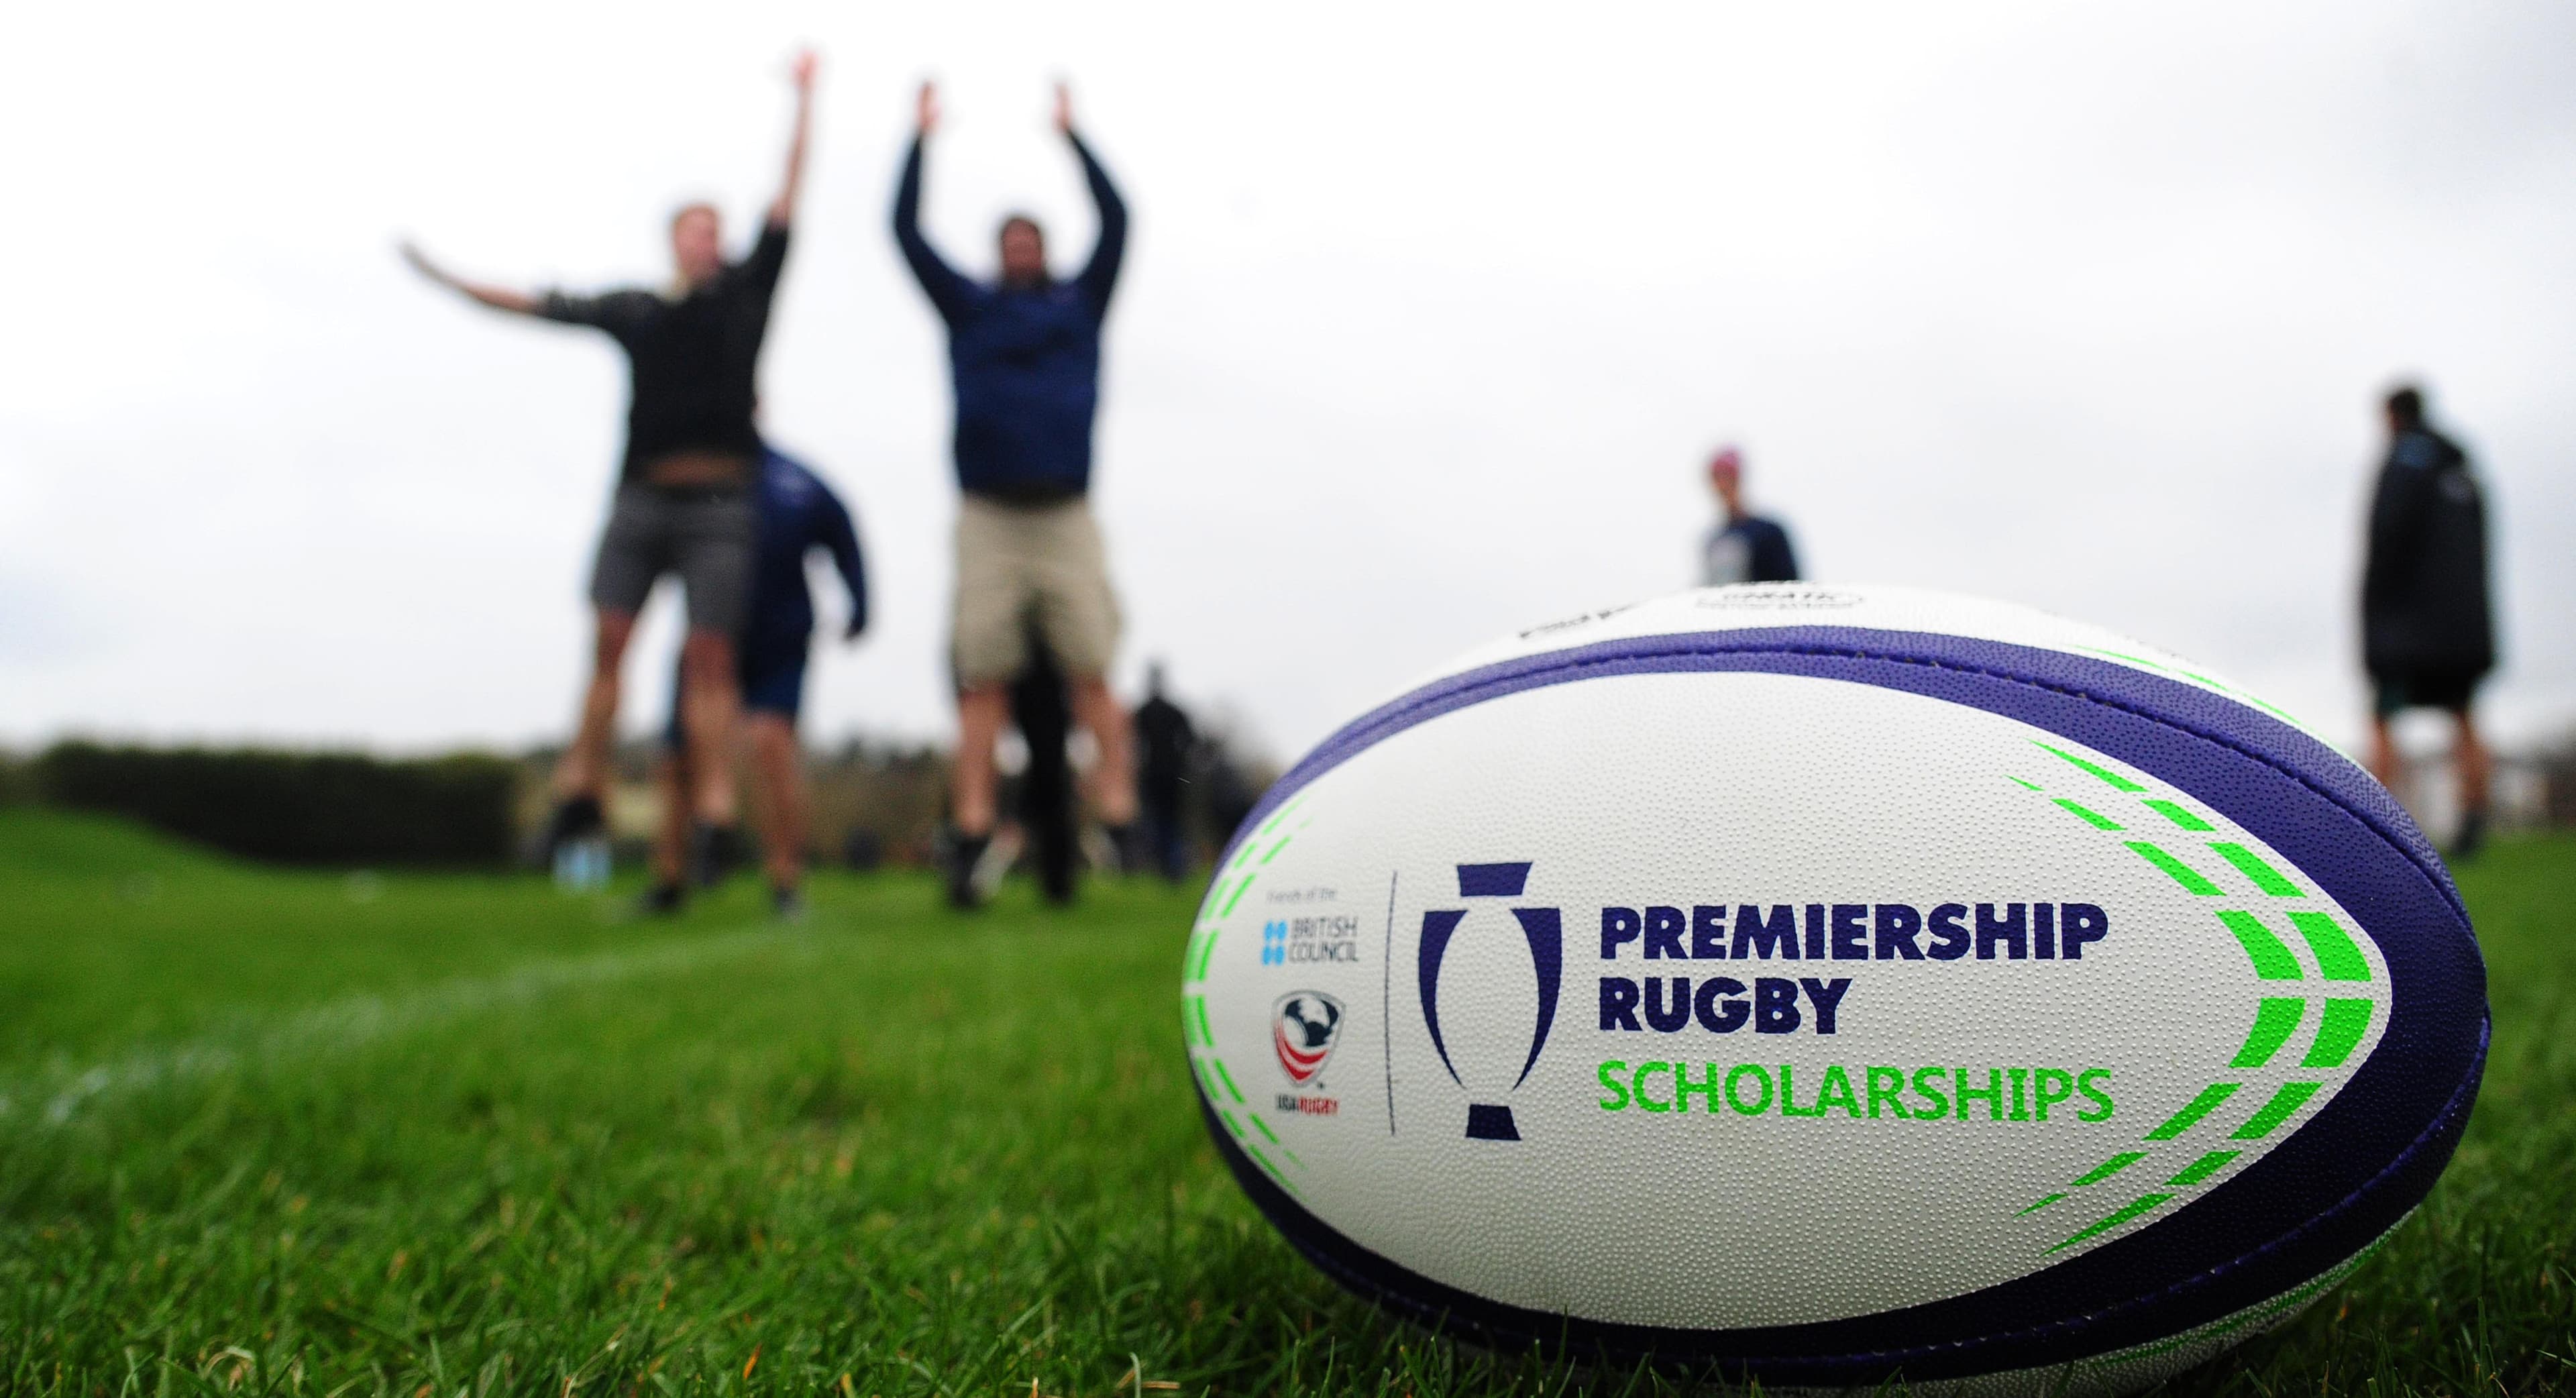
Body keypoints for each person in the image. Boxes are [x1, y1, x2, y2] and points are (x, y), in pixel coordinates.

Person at [403, 50, 817, 888]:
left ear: (724, 242)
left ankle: (711, 816)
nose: (706, 238)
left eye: (715, 228)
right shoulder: (638, 310)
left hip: (720, 505)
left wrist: (806, 100)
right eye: (692, 228)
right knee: (609, 640)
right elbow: (538, 304)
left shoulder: (745, 295)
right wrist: (452, 284)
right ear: (674, 240)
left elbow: (787, 195)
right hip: (641, 499)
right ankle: (579, 786)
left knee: (709, 660)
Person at [893, 78, 1139, 908]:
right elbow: (905, 233)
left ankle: (1119, 812)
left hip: (1066, 510)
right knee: (981, 678)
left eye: (1035, 238)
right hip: (990, 514)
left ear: (1048, 250)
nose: (1024, 249)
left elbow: (1120, 220)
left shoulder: (1081, 304)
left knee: (1093, 665)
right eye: (1013, 240)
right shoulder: (969, 309)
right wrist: (919, 141)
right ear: (999, 253)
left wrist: (1075, 136)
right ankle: (970, 827)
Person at [645, 442, 867, 919]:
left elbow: (844, 537)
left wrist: (860, 603)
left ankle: (786, 883)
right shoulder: (699, 477)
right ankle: (669, 880)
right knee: (679, 756)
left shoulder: (797, 482)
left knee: (771, 745)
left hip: (779, 640)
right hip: (708, 637)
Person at [2361, 383, 2496, 859]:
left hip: (2406, 630)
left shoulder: (2402, 461)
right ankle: (2475, 823)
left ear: (2392, 415)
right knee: (2464, 717)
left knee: (2382, 718)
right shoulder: (2461, 468)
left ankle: (2376, 829)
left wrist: (2372, 620)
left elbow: (2386, 538)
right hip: (2465, 626)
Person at [1698, 445, 1801, 586]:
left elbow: (1791, 586)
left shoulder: (1769, 533)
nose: (1722, 485)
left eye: (1727, 477)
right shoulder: (1713, 541)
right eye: (1717, 478)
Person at [1133, 663, 1198, 882]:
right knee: (1172, 820)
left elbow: (1132, 744)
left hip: (1154, 773)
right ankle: (1174, 866)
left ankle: (1168, 866)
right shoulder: (1174, 712)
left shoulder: (1143, 713)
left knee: (1160, 820)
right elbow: (1192, 740)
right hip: (1172, 773)